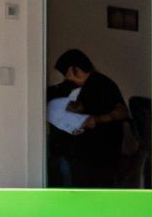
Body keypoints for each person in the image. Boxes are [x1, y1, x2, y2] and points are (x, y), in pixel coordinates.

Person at [54, 49, 130, 188]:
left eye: (66, 74)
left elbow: (120, 113)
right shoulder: (97, 83)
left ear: (74, 69)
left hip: (100, 152)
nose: (67, 79)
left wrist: (95, 119)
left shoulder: (97, 83)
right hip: (100, 152)